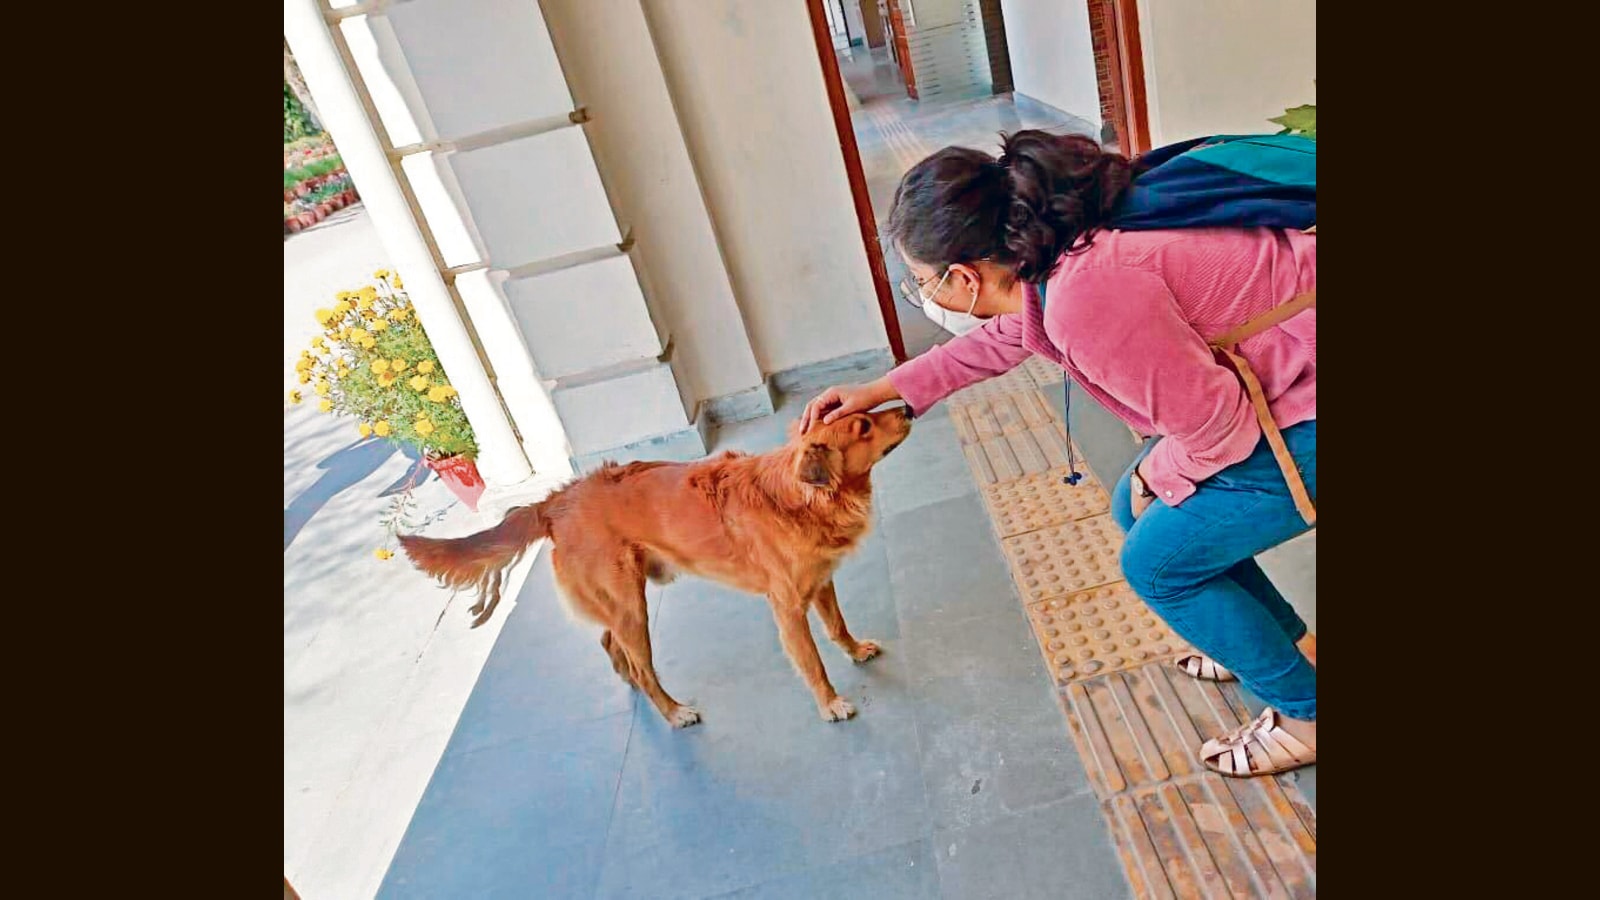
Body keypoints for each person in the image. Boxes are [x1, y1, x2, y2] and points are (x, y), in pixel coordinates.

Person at [800, 131, 1317, 777]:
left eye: (922, 282)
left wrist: (1161, 472)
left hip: (1302, 404)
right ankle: (1264, 643)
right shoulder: (1054, 249)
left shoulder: (1089, 295)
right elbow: (1009, 337)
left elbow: (1219, 429)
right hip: (1284, 379)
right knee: (1146, 517)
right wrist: (885, 388)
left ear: (964, 277)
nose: (924, 295)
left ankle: (1305, 710)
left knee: (1159, 565)